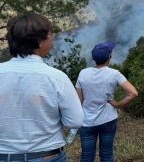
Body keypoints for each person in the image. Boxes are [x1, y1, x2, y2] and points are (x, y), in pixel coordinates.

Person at [0, 12, 84, 162]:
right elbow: (75, 121)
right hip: (47, 156)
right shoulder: (57, 77)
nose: (52, 40)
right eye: (50, 36)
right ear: (40, 42)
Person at [75, 41, 138, 162]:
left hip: (87, 121)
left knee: (87, 156)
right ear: (109, 56)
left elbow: (79, 101)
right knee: (107, 154)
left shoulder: (83, 73)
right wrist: (117, 105)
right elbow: (133, 93)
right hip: (108, 119)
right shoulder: (115, 74)